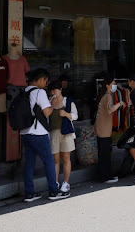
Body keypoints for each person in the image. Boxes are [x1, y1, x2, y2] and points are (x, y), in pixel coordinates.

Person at [21, 68, 61, 202]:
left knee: (29, 163)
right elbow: (47, 112)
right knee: (48, 160)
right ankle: (53, 191)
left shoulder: (25, 91)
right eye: (45, 81)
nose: (46, 84)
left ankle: (29, 193)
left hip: (25, 132)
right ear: (41, 79)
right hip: (38, 132)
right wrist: (53, 104)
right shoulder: (39, 92)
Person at [48, 80, 78, 199]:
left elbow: (75, 116)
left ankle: (66, 183)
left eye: (55, 89)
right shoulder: (49, 102)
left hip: (66, 132)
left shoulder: (68, 101)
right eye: (51, 90)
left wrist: (66, 114)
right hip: (53, 132)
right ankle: (55, 183)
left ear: (60, 89)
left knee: (66, 157)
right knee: (55, 159)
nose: (53, 92)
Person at [94, 77, 126, 183]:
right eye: (113, 84)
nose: (115, 86)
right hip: (104, 130)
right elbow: (109, 110)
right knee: (105, 155)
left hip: (100, 129)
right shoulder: (108, 96)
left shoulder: (103, 95)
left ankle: (103, 175)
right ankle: (106, 176)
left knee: (103, 154)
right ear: (107, 85)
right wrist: (120, 103)